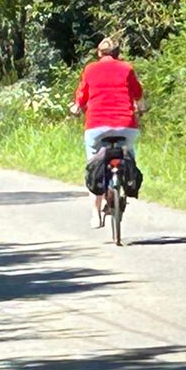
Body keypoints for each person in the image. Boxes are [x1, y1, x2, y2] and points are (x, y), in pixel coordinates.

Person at [71, 35, 145, 229]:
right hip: (125, 124)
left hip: (97, 126)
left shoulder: (90, 69)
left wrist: (77, 107)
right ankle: (128, 175)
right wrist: (140, 107)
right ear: (117, 54)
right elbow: (137, 93)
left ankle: (95, 213)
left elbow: (82, 95)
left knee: (94, 165)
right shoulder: (127, 68)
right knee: (128, 151)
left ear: (99, 53)